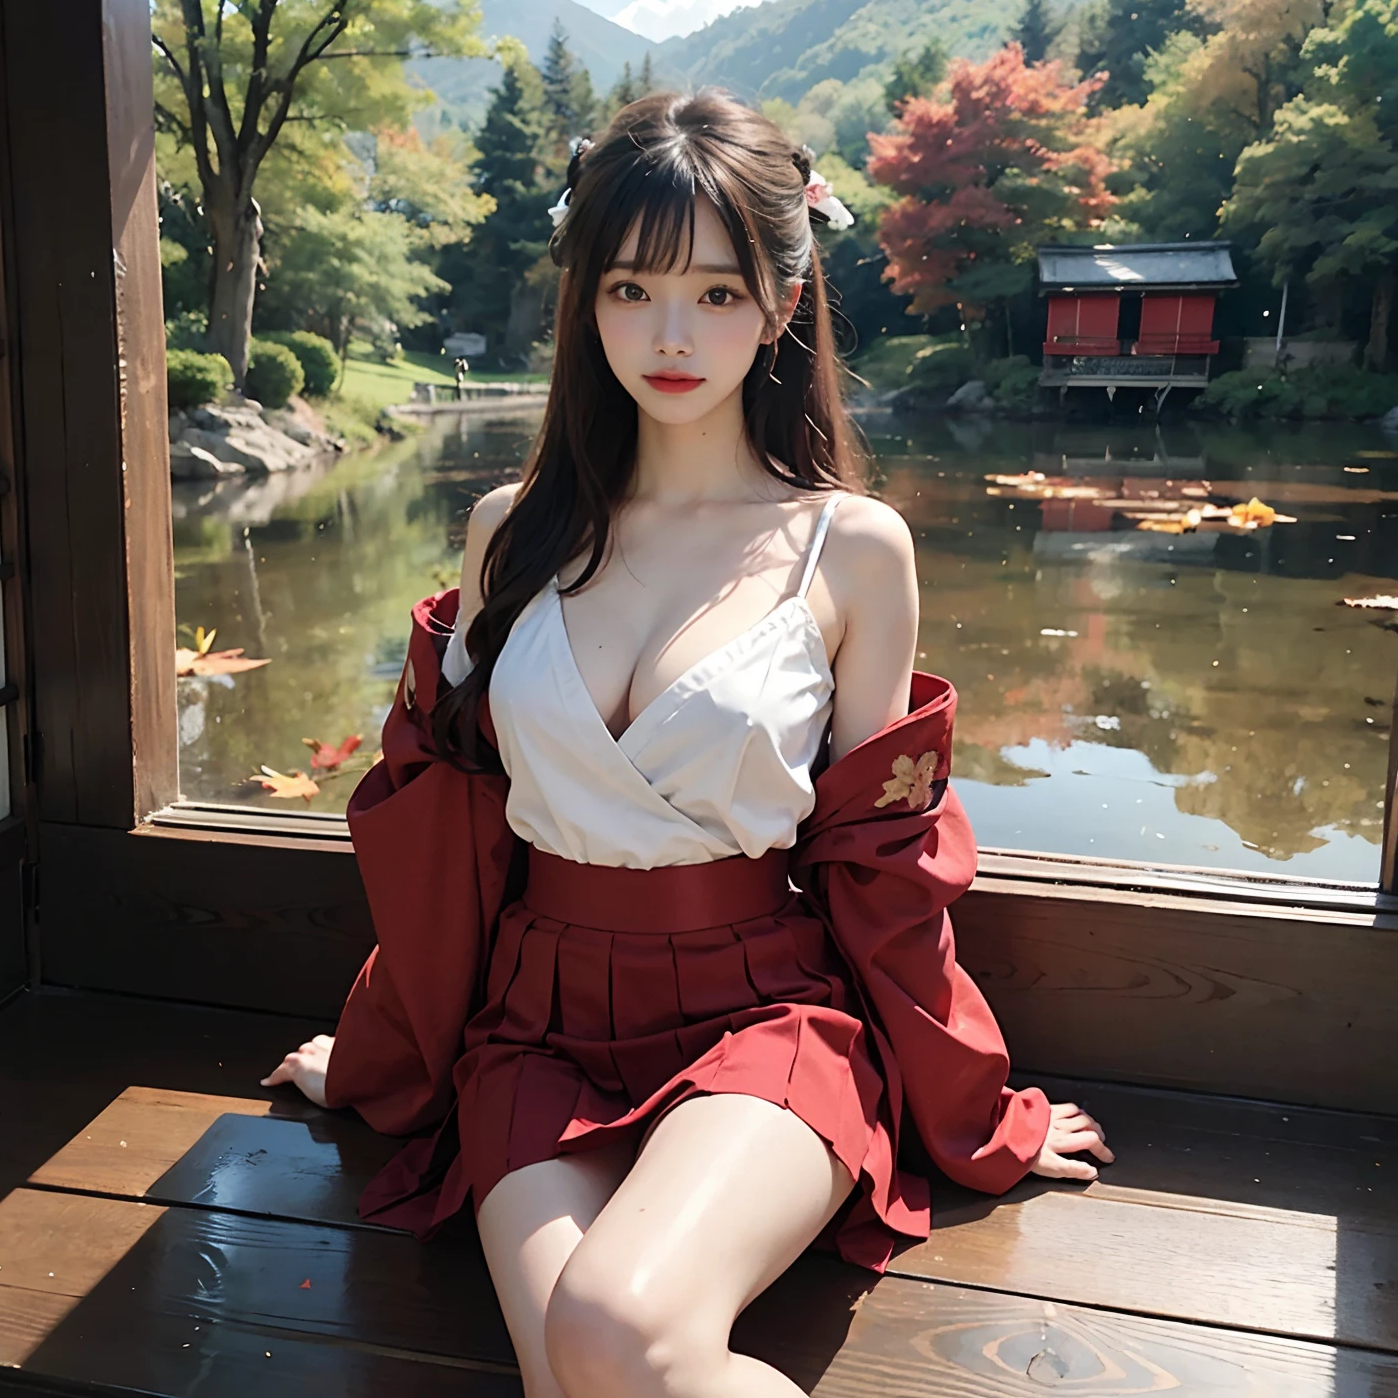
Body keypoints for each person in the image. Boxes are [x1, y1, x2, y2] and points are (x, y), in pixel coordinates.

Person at [263, 90, 1113, 1398]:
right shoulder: (510, 536)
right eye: (630, 287)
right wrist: (375, 1048)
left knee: (606, 1335)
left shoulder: (854, 549)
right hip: (532, 1024)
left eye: (717, 294)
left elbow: (889, 867)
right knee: (576, 1368)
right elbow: (440, 831)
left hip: (763, 1014)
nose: (669, 334)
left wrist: (975, 1107)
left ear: (780, 302)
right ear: (582, 298)